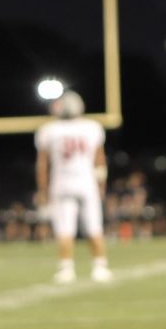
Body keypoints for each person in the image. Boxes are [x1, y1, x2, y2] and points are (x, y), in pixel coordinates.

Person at [35, 90, 112, 284]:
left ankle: (66, 268)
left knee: (64, 229)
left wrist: (42, 189)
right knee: (94, 226)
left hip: (61, 184)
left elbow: (43, 164)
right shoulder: (91, 127)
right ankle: (100, 266)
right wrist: (101, 185)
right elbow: (100, 160)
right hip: (87, 182)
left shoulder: (49, 130)